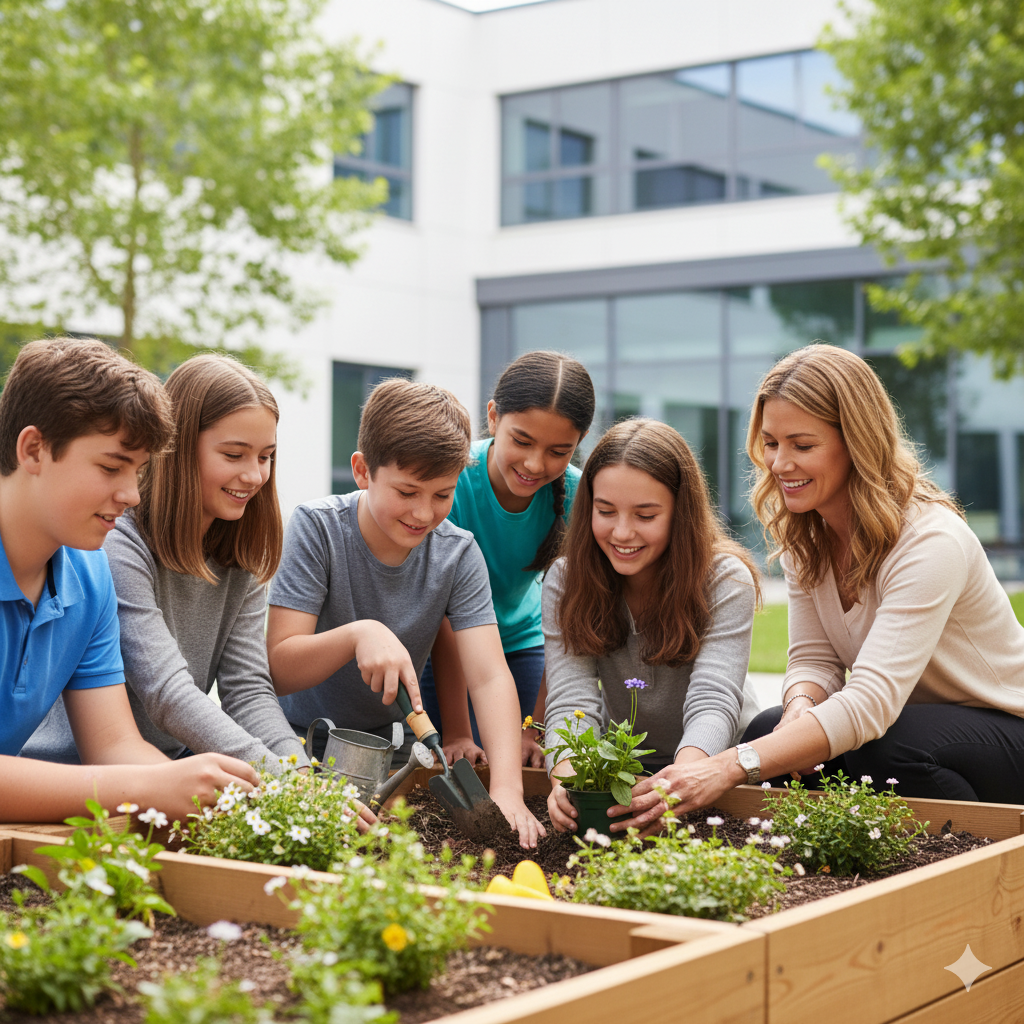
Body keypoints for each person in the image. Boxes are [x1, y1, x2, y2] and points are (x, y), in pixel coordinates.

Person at [618, 344, 1024, 834]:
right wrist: (798, 710)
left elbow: (871, 701)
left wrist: (727, 765)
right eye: (770, 442)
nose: (779, 463)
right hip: (912, 725)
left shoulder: (930, 541)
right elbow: (814, 659)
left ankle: (975, 858)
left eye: (802, 445)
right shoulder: (806, 534)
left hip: (1004, 728)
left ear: (856, 442)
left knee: (885, 748)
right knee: (770, 730)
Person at [266, 378, 545, 847]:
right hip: (294, 744)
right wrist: (359, 635)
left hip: (393, 753)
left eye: (442, 494)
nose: (424, 512)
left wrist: (508, 791)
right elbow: (279, 668)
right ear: (362, 470)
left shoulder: (457, 554)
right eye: (408, 491)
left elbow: (490, 677)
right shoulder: (316, 529)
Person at [25, 355, 319, 782]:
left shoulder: (242, 552)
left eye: (266, 456)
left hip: (165, 767)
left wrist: (302, 778)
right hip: (72, 772)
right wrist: (284, 786)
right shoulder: (114, 543)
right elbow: (167, 691)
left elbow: (249, 691)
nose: (254, 475)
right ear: (176, 449)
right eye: (234, 454)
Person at [1, 337, 257, 823]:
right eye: (111, 466)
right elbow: (129, 777)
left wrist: (217, 806)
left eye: (138, 471)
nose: (131, 495)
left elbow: (114, 744)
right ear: (33, 449)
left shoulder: (90, 573)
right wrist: (147, 785)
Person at [543, 418, 762, 833]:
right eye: (605, 511)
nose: (622, 532)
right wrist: (567, 780)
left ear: (681, 512)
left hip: (713, 763)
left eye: (645, 515)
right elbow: (571, 699)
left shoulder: (725, 579)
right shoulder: (565, 580)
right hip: (627, 766)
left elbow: (714, 700)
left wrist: (678, 786)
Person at [421, 350, 595, 768]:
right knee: (461, 762)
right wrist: (459, 731)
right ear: (494, 416)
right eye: (521, 441)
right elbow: (443, 614)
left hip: (523, 644)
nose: (535, 464)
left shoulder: (577, 497)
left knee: (526, 761)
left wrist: (531, 728)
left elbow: (571, 615)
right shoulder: (453, 483)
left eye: (559, 450)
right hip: (447, 648)